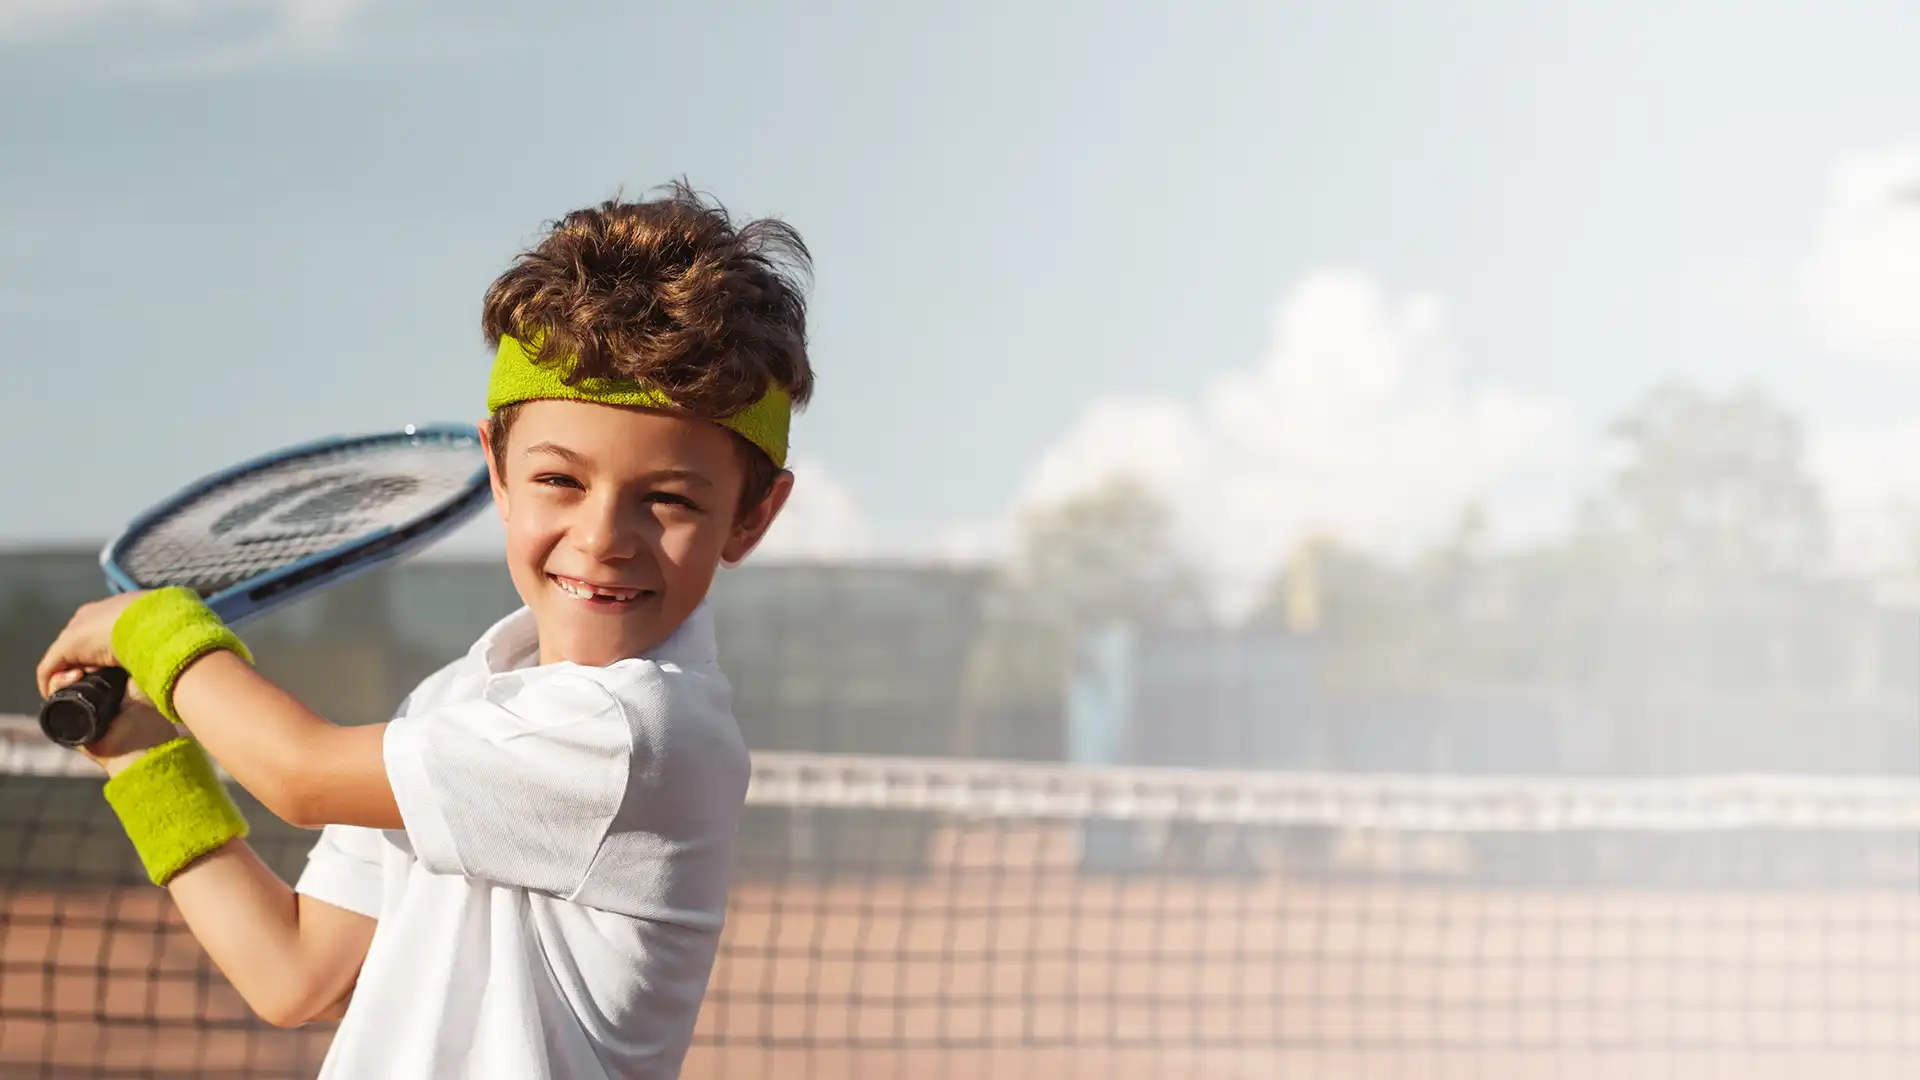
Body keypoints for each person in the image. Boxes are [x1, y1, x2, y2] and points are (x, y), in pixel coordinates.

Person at [34, 181, 814, 1080]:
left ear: (752, 516)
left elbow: (299, 773)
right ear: (499, 469)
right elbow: (294, 975)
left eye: (668, 499)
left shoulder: (640, 733)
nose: (602, 538)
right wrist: (141, 756)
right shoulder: (452, 705)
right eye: (561, 481)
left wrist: (153, 627)